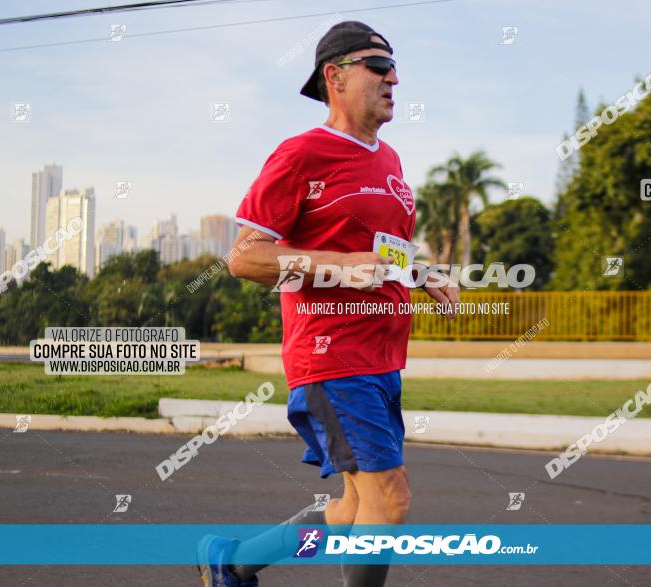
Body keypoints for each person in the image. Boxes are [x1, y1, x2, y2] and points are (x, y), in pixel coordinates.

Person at [195, 21, 459, 587]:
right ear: (334, 77)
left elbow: (383, 251)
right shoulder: (301, 154)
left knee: (349, 510)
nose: (395, 78)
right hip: (332, 353)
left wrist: (422, 272)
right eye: (378, 66)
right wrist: (337, 266)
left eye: (395, 67)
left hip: (383, 356)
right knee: (391, 500)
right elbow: (245, 257)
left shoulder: (390, 161)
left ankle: (232, 561)